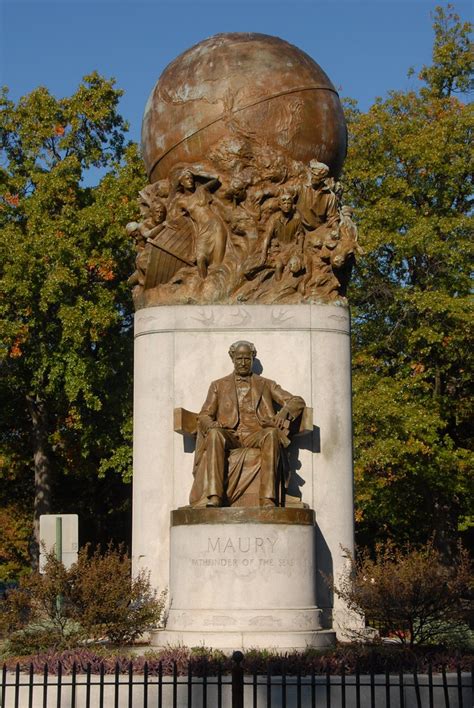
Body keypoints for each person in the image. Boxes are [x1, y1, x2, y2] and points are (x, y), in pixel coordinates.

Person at [190, 341, 305, 508]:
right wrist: (212, 425)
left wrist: (283, 413)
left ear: (252, 358)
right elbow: (204, 414)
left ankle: (267, 499)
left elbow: (297, 401)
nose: (243, 363)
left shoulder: (266, 384)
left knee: (271, 434)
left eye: (247, 358)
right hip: (230, 434)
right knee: (214, 434)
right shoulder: (218, 385)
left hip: (257, 434)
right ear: (232, 359)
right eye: (239, 359)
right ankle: (214, 496)